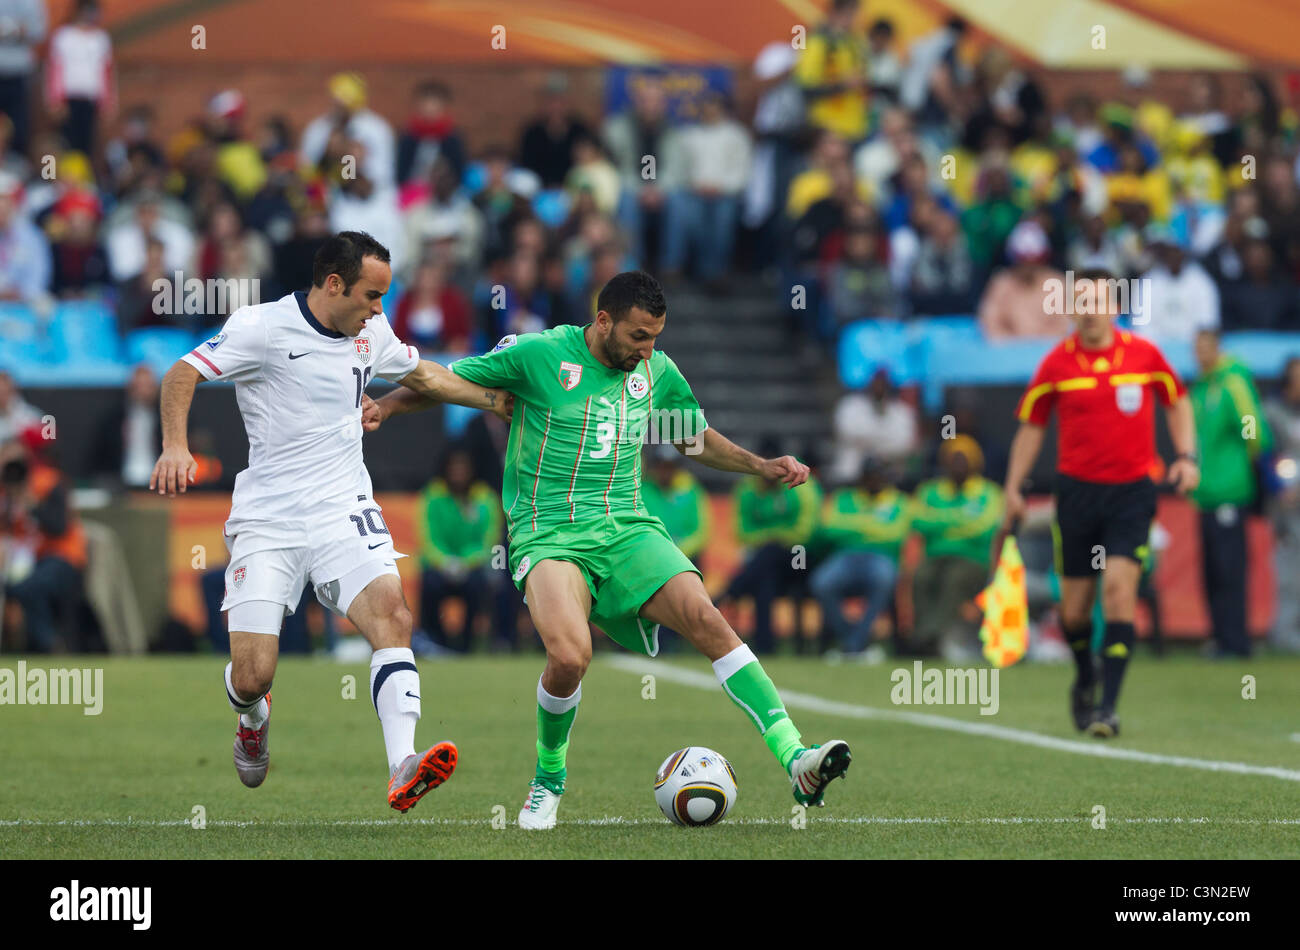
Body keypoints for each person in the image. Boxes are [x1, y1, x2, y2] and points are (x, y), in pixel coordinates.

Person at [367, 271, 851, 829]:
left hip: (625, 525)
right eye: (639, 336)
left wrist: (760, 467)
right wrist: (386, 407)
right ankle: (548, 781)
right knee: (570, 657)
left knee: (707, 617)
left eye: (655, 337)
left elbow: (693, 437)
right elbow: (446, 382)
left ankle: (797, 760)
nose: (648, 349)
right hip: (547, 531)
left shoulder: (656, 371)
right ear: (603, 321)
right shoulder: (541, 354)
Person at [149, 231, 511, 813]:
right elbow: (181, 374)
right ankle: (252, 717)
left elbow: (426, 377)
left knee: (392, 615)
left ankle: (403, 764)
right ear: (334, 284)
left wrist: (493, 399)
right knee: (253, 673)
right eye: (371, 296)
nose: (379, 310)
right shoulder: (260, 327)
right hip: (269, 518)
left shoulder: (372, 332)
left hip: (344, 506)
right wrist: (174, 445)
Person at [1003, 269, 1198, 738]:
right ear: (1071, 308)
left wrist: (1187, 456)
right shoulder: (1055, 365)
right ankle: (1085, 675)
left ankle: (1108, 707)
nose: (1090, 309)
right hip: (1077, 494)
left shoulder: (1144, 355)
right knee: (1074, 611)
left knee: (1118, 590)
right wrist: (1013, 487)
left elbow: (1177, 401)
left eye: (1099, 300)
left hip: (1132, 491)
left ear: (1114, 306)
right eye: (1082, 300)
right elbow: (1032, 426)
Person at [1189, 330, 1270, 658]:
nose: (1201, 354)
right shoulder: (1200, 388)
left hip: (1230, 492)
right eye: (1196, 348)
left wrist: (1245, 461)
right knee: (1212, 571)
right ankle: (1221, 638)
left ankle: (1237, 642)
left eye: (1206, 347)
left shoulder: (1233, 383)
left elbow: (1254, 429)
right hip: (1206, 493)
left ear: (1217, 348)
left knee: (1229, 569)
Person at [719, 435, 822, 654]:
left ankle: (731, 592)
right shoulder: (748, 487)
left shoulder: (801, 482)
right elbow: (741, 532)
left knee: (769, 554)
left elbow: (805, 532)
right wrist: (774, 537)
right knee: (764, 579)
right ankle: (765, 648)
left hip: (800, 558)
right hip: (767, 562)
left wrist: (772, 537)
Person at [909, 435, 1002, 660]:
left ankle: (930, 638)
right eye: (953, 459)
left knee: (954, 579)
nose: (958, 464)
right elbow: (918, 521)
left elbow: (984, 527)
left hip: (973, 559)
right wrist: (960, 520)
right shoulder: (929, 490)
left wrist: (941, 521)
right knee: (921, 577)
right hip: (935, 556)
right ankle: (929, 638)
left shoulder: (988, 492)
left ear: (974, 462)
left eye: (963, 459)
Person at [811, 457, 908, 660]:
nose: (874, 481)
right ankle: (853, 638)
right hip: (846, 556)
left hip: (881, 556)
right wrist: (872, 525)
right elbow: (830, 528)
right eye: (869, 477)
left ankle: (853, 644)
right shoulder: (843, 498)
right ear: (861, 479)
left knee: (883, 580)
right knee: (821, 583)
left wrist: (855, 526)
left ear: (884, 479)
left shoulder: (898, 500)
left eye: (877, 477)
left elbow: (895, 534)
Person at [414, 446, 507, 653]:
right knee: (430, 584)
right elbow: (429, 538)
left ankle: (467, 645)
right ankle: (435, 642)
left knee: (481, 584)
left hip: (472, 568)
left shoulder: (484, 498)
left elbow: (489, 539)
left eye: (463, 468)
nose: (458, 473)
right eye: (454, 467)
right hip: (440, 567)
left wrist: (465, 562)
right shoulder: (433, 495)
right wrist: (445, 562)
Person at [1264, 357, 1300, 653]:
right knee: (1288, 573)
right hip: (1287, 508)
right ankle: (1285, 634)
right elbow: (1263, 452)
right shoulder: (1272, 413)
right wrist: (1280, 487)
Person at [640, 443, 711, 564]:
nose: (666, 471)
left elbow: (700, 531)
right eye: (662, 466)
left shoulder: (690, 489)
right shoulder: (644, 490)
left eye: (671, 467)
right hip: (651, 555)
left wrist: (676, 551)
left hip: (684, 556)